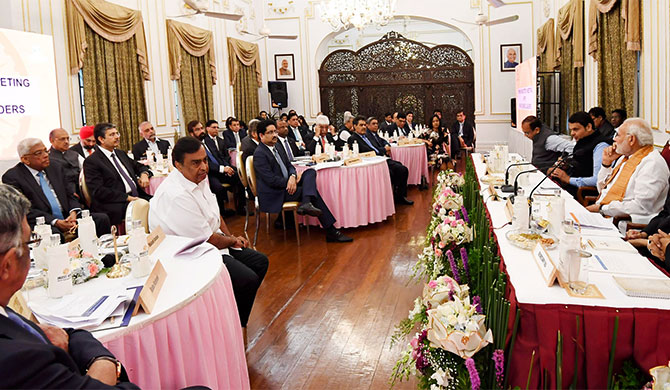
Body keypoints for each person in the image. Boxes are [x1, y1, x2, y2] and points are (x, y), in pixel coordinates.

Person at [0, 184, 137, 389]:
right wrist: (105, 361)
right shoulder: (18, 359)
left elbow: (63, 334)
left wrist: (73, 336)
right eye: (30, 244)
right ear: (8, 265)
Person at [149, 137, 268, 330]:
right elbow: (207, 239)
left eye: (205, 160)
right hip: (188, 254)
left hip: (209, 243)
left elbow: (215, 214)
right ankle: (229, 324)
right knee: (247, 279)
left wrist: (232, 238)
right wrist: (230, 241)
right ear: (178, 165)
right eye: (195, 163)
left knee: (260, 262)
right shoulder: (176, 195)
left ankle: (233, 320)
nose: (204, 167)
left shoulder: (197, 178)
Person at [253, 120, 353, 242]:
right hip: (275, 192)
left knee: (310, 172)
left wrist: (293, 177)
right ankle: (331, 231)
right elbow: (271, 180)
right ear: (261, 135)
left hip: (287, 184)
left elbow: (289, 166)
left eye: (275, 131)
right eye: (270, 132)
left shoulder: (277, 146)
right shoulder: (259, 154)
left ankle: (307, 203)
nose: (275, 135)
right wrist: (290, 182)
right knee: (313, 193)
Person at [3, 138, 111, 237]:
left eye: (46, 151)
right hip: (44, 223)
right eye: (38, 153)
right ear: (25, 159)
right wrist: (55, 222)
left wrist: (73, 213)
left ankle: (103, 254)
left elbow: (70, 193)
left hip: (68, 217)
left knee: (101, 219)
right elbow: (25, 210)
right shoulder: (13, 177)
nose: (46, 155)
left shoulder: (56, 167)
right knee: (54, 233)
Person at [586, 118, 669, 218]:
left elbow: (641, 207)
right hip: (606, 215)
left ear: (631, 139)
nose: (614, 139)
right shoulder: (625, 158)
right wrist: (606, 164)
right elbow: (603, 190)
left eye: (618, 135)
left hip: (625, 225)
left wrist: (602, 209)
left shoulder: (652, 163)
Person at [83, 123, 152, 226]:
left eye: (117, 133)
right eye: (112, 135)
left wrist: (144, 174)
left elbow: (139, 166)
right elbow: (99, 191)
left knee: (159, 202)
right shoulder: (92, 161)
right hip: (115, 203)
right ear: (101, 139)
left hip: (136, 195)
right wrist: (127, 198)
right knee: (143, 207)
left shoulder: (120, 154)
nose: (117, 137)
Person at [348, 116, 413, 205]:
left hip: (381, 159)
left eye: (364, 125)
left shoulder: (368, 135)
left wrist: (384, 147)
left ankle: (400, 196)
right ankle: (388, 199)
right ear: (355, 126)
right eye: (361, 125)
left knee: (402, 169)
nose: (363, 127)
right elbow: (369, 151)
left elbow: (380, 141)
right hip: (371, 163)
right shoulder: (353, 138)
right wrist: (383, 149)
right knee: (391, 173)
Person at [188, 120, 246, 216]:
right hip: (208, 173)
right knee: (218, 188)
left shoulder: (208, 141)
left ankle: (241, 208)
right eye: (197, 129)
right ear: (191, 133)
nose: (201, 131)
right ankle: (221, 213)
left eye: (202, 128)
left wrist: (226, 167)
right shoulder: (192, 147)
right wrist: (222, 169)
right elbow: (203, 164)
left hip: (220, 169)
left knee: (239, 177)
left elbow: (219, 156)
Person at [550, 112, 609, 194]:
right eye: (571, 130)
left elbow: (597, 179)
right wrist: (566, 166)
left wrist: (568, 179)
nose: (572, 133)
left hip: (584, 193)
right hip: (573, 188)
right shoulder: (582, 140)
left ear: (588, 127)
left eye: (576, 129)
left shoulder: (601, 146)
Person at [48, 128, 81, 195]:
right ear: (51, 140)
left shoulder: (75, 154)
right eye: (62, 139)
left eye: (68, 139)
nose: (66, 142)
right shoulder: (48, 158)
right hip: (64, 193)